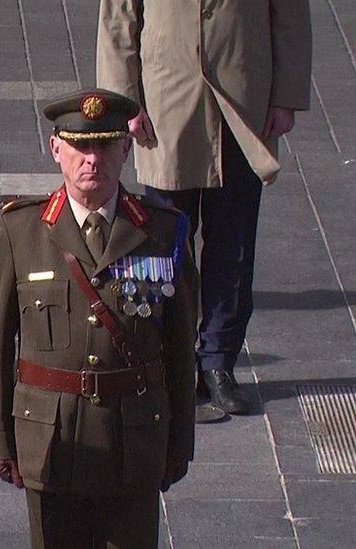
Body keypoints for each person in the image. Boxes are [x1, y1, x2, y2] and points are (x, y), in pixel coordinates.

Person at [0, 89, 198, 547]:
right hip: (50, 439)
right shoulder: (21, 230)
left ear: (126, 148)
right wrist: (0, 439)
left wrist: (180, 441)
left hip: (134, 439)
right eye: (80, 146)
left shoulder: (162, 230)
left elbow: (180, 347)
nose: (91, 160)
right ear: (55, 147)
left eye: (104, 145)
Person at [96, 0, 312, 416]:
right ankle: (167, 359)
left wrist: (286, 96)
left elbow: (289, 13)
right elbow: (118, 17)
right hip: (168, 102)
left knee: (233, 245)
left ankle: (218, 360)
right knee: (164, 248)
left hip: (243, 102)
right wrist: (124, 100)